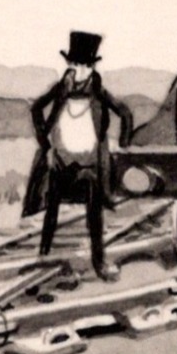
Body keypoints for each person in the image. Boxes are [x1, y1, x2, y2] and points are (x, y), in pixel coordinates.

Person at [23, 31, 135, 281]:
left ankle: (99, 263)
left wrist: (124, 146)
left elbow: (125, 114)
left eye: (81, 65)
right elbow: (36, 108)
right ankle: (43, 255)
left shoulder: (98, 92)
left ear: (90, 67)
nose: (76, 70)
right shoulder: (61, 89)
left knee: (95, 217)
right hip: (61, 161)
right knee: (50, 210)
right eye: (72, 64)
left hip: (90, 165)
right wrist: (44, 142)